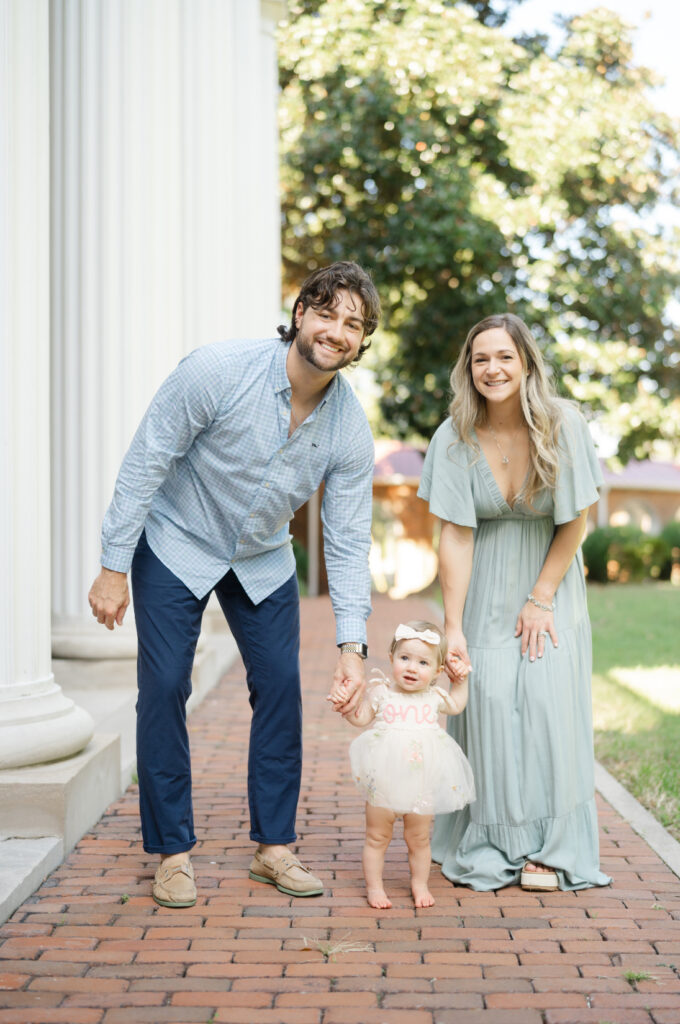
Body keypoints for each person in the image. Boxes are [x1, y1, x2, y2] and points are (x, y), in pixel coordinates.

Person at [87, 261, 381, 907]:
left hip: (261, 558)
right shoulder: (216, 371)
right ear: (301, 312)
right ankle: (172, 852)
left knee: (279, 690)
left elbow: (349, 539)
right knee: (163, 686)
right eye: (327, 313)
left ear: (361, 343)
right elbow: (146, 461)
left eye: (352, 325)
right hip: (176, 540)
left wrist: (352, 647)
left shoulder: (348, 429)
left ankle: (273, 848)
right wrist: (112, 565)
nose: (336, 330)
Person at [417, 312, 612, 893]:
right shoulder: (453, 436)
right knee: (492, 702)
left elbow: (577, 517)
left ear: (525, 362)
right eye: (481, 359)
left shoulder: (563, 424)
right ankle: (496, 837)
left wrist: (542, 597)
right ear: (467, 368)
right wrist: (451, 625)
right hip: (484, 584)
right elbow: (454, 533)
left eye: (504, 356)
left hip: (549, 581)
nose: (492, 368)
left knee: (549, 708)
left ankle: (553, 848)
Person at [328, 621, 475, 908]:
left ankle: (419, 885)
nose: (411, 667)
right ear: (392, 657)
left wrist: (462, 681)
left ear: (437, 671)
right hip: (383, 783)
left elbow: (457, 704)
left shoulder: (433, 697)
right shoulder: (382, 693)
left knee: (419, 839)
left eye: (423, 662)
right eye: (404, 658)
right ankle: (374, 888)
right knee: (376, 837)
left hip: (420, 785)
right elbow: (361, 718)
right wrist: (346, 707)